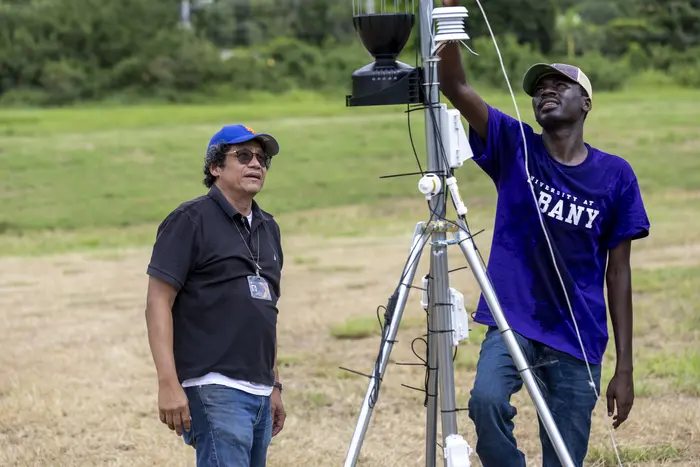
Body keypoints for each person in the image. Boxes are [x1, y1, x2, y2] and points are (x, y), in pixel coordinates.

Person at [436, 1, 650, 466]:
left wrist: (625, 367)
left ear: (586, 103)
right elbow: (455, 86)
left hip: (578, 334)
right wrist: (449, 12)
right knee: (486, 401)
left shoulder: (616, 175)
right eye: (539, 88)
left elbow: (619, 274)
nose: (546, 91)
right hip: (513, 318)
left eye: (560, 85)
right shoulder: (514, 146)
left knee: (564, 455)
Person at [144, 124, 287, 467]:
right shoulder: (190, 220)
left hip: (259, 390)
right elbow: (157, 302)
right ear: (215, 167)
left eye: (262, 158)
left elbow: (266, 312)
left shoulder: (268, 227)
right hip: (214, 387)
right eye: (243, 155)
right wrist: (167, 383)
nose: (256, 164)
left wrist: (274, 385)